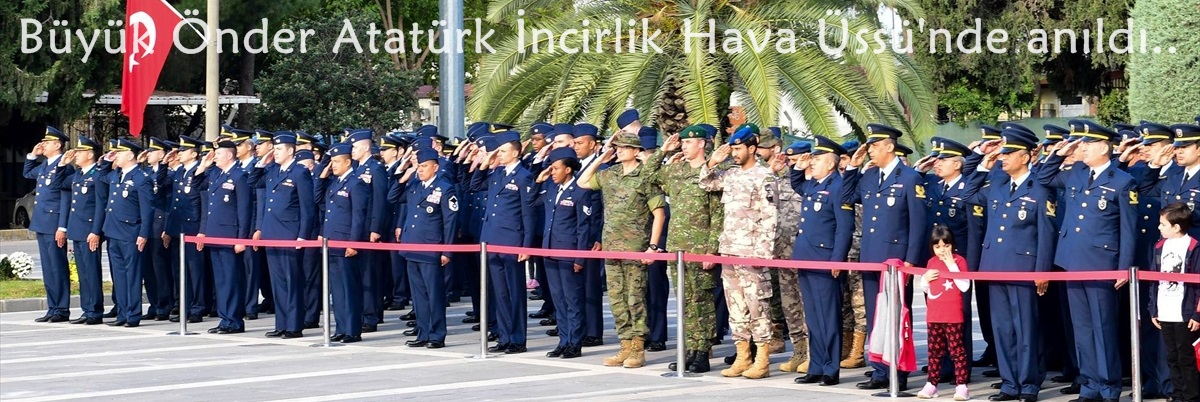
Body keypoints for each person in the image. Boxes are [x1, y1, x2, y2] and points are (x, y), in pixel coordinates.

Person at [1037, 119, 1136, 402]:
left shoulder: (1122, 181)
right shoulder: (1077, 173)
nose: (1082, 148)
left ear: (1104, 147)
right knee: (1081, 329)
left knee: (1102, 328)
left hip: (1102, 263)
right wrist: (1059, 153)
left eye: (1088, 144)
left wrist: (1123, 268)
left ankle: (1109, 387)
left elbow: (1128, 231)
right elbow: (1043, 177)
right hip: (1071, 261)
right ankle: (1089, 385)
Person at [844, 123, 928, 391]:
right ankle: (880, 369)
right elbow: (846, 196)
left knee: (896, 317)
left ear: (889, 147)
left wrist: (912, 260)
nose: (869, 151)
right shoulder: (869, 177)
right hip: (871, 257)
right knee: (874, 315)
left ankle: (898, 371)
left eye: (874, 147)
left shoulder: (910, 177)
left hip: (896, 261)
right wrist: (851, 168)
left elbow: (918, 223)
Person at [577, 129, 667, 369]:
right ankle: (624, 345)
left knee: (635, 298)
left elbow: (659, 214)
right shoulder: (610, 174)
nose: (619, 151)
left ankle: (638, 347)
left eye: (624, 148)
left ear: (636, 152)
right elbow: (582, 182)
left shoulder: (645, 177)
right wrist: (600, 158)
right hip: (612, 247)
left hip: (635, 248)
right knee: (617, 299)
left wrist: (653, 246)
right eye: (617, 147)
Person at [698, 123, 779, 380]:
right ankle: (742, 356)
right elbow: (705, 183)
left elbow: (770, 217)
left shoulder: (764, 176)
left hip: (752, 252)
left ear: (752, 148)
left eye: (738, 148)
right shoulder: (730, 174)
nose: (734, 153)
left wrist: (763, 252)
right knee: (736, 307)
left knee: (758, 307)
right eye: (732, 148)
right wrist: (713, 161)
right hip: (730, 249)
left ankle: (762, 358)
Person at [654, 125, 724, 373]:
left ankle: (703, 352)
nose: (683, 145)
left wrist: (712, 250)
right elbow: (647, 177)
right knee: (683, 302)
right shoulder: (676, 170)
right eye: (682, 142)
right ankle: (689, 349)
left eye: (688, 142)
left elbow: (718, 214)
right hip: (677, 247)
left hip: (699, 247)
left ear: (702, 144)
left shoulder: (713, 173)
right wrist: (663, 152)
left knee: (701, 301)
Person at [786, 135, 854, 386]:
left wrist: (837, 259)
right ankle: (816, 365)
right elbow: (796, 184)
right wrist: (798, 167)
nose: (812, 162)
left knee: (828, 316)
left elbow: (844, 228)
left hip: (826, 260)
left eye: (817, 159)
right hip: (806, 257)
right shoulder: (813, 185)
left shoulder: (839, 186)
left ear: (831, 163)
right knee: (812, 316)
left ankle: (830, 368)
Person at [471, 130, 537, 354]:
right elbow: (475, 184)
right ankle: (504, 336)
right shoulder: (497, 174)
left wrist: (526, 245)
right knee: (498, 292)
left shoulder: (523, 176)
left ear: (517, 152)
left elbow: (528, 214)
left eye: (504, 151)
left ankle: (518, 339)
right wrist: (484, 163)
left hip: (511, 240)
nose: (500, 154)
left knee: (514, 292)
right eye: (498, 151)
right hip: (491, 239)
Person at [250, 133, 315, 339]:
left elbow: (308, 208)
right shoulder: (271, 171)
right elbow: (253, 181)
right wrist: (262, 161)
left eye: (278, 149)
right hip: (272, 233)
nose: (275, 153)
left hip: (290, 234)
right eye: (274, 149)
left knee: (291, 281)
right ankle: (281, 323)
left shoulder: (299, 172)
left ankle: (294, 325)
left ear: (290, 151)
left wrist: (303, 236)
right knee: (277, 283)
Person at [535, 147, 595, 359]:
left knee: (573, 300)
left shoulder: (580, 191)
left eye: (555, 168)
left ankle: (574, 343)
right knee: (558, 300)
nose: (552, 172)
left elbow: (583, 227)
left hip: (569, 253)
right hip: (550, 251)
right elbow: (530, 201)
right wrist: (539, 181)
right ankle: (563, 340)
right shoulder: (551, 189)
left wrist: (580, 257)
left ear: (568, 169)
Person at [397, 146, 460, 349]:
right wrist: (404, 173)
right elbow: (393, 196)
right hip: (412, 246)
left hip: (431, 247)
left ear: (435, 167)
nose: (420, 170)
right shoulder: (415, 185)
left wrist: (447, 250)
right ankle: (423, 332)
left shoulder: (445, 187)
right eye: (419, 166)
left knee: (434, 295)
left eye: (424, 166)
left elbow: (450, 221)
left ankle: (437, 334)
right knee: (419, 296)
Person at [194, 140, 251, 334]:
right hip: (215, 234)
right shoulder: (215, 174)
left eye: (218, 153)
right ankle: (224, 319)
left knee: (231, 279)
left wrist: (241, 238)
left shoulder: (239, 176)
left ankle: (234, 320)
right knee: (221, 281)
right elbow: (196, 188)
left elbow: (245, 210)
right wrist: (203, 165)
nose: (214, 156)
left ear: (229, 155)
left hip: (230, 236)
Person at [317, 143, 369, 343]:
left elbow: (358, 215)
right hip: (332, 242)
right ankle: (341, 327)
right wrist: (322, 177)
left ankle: (352, 330)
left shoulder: (356, 183)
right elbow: (319, 201)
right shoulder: (333, 182)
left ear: (348, 162)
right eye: (332, 161)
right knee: (337, 290)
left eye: (337, 161)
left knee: (349, 289)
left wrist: (354, 243)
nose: (334, 165)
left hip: (346, 241)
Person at [1148, 202, 1200, 402]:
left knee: (1186, 356)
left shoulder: (1193, 247)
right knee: (1171, 356)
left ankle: (1191, 396)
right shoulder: (1159, 247)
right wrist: (1153, 309)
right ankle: (1177, 394)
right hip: (1166, 309)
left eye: (1163, 224)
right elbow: (1154, 280)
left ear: (1177, 227)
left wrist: (1197, 314)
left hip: (1185, 311)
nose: (1159, 228)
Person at [100, 139, 155, 327]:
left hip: (131, 232)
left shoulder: (141, 178)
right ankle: (122, 313)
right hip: (113, 231)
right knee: (119, 275)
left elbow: (147, 209)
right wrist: (106, 161)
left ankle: (133, 314)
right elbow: (101, 177)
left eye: (119, 153)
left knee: (132, 275)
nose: (116, 155)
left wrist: (143, 233)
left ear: (130, 155)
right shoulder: (116, 175)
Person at [24, 126, 74, 323]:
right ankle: (52, 307)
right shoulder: (45, 165)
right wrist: (32, 155)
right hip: (42, 222)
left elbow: (65, 199)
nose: (42, 145)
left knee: (58, 266)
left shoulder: (65, 167)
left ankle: (62, 308)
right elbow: (28, 174)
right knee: (48, 267)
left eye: (47, 142)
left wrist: (62, 227)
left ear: (58, 145)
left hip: (54, 223)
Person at [916, 226, 972, 401]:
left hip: (953, 315)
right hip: (934, 315)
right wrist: (925, 279)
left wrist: (951, 266)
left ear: (952, 245)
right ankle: (932, 384)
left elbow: (965, 286)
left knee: (957, 351)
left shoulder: (960, 261)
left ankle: (961, 385)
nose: (942, 250)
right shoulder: (931, 262)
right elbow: (925, 288)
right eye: (938, 246)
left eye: (946, 246)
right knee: (934, 351)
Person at [164, 136, 208, 323]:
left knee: (195, 271)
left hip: (193, 228)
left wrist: (202, 231)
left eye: (183, 151)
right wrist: (165, 163)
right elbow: (165, 190)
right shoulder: (179, 172)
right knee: (180, 271)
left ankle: (197, 308)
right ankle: (185, 306)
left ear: (194, 154)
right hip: (177, 228)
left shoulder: (201, 173)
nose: (179, 153)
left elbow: (204, 204)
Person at [65, 135, 107, 325]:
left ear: (90, 154)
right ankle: (87, 309)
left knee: (91, 271)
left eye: (80, 152)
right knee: (83, 273)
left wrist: (96, 231)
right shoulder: (78, 174)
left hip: (89, 230)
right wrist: (62, 164)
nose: (76, 155)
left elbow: (100, 205)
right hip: (77, 229)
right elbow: (59, 183)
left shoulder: (97, 175)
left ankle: (95, 311)